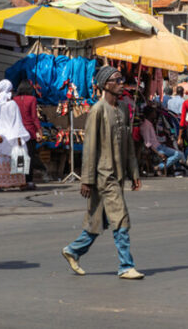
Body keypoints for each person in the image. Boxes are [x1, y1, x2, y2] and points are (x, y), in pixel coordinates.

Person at [61, 65, 144, 280]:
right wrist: (86, 180)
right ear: (105, 85)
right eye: (116, 80)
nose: (121, 83)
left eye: (121, 79)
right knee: (121, 218)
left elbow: (129, 145)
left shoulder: (123, 108)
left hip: (118, 174)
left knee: (99, 221)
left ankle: (73, 250)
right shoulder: (97, 110)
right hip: (103, 175)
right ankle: (126, 266)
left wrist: (134, 172)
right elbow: (89, 147)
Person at [0, 80, 30, 190]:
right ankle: (20, 183)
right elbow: (17, 123)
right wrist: (19, 139)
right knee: (18, 158)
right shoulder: (12, 104)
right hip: (12, 135)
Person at [14, 80, 44, 190]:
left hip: (17, 131)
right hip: (29, 132)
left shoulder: (14, 100)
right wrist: (39, 131)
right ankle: (29, 180)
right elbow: (34, 117)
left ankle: (20, 180)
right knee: (29, 156)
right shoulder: (32, 99)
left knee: (19, 156)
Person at [139, 106, 184, 175]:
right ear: (150, 114)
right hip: (156, 148)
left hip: (159, 146)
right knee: (178, 154)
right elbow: (147, 143)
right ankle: (159, 167)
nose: (155, 114)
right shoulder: (146, 125)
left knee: (179, 154)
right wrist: (158, 153)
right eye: (154, 112)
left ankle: (160, 167)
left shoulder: (150, 124)